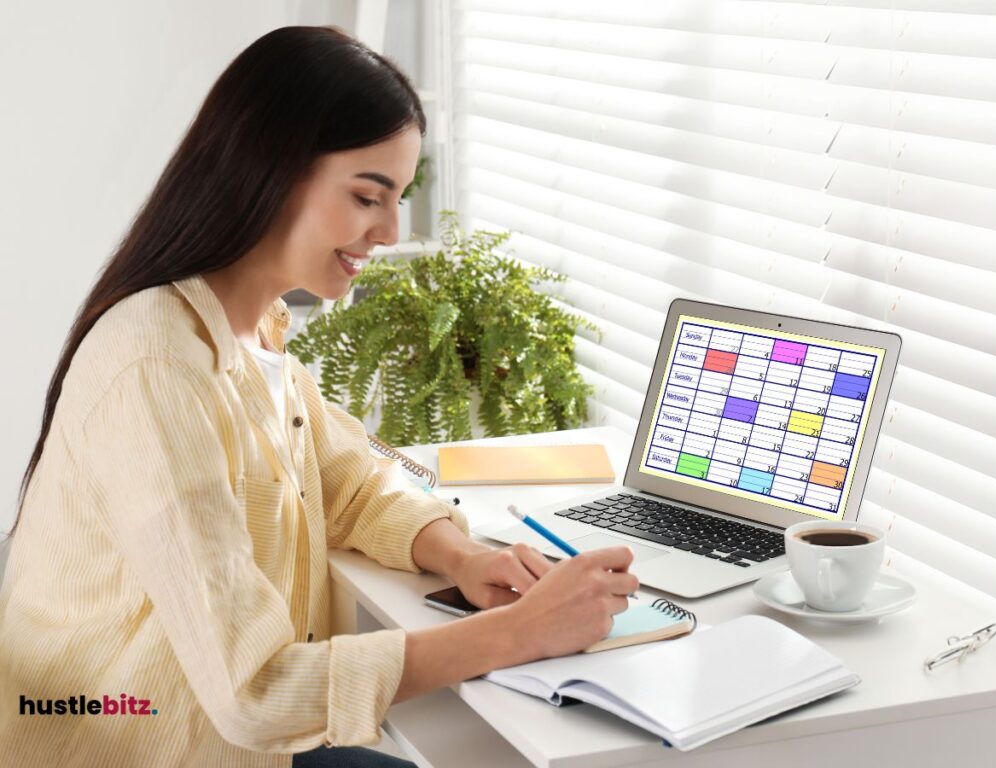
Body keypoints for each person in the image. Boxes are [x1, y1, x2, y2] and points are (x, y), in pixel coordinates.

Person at [0, 26, 638, 768]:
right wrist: (520, 633)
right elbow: (255, 693)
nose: (391, 231)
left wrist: (464, 556)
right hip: (130, 746)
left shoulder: (255, 332)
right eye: (370, 196)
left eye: (398, 199)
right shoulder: (154, 364)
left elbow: (352, 484)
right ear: (271, 169)